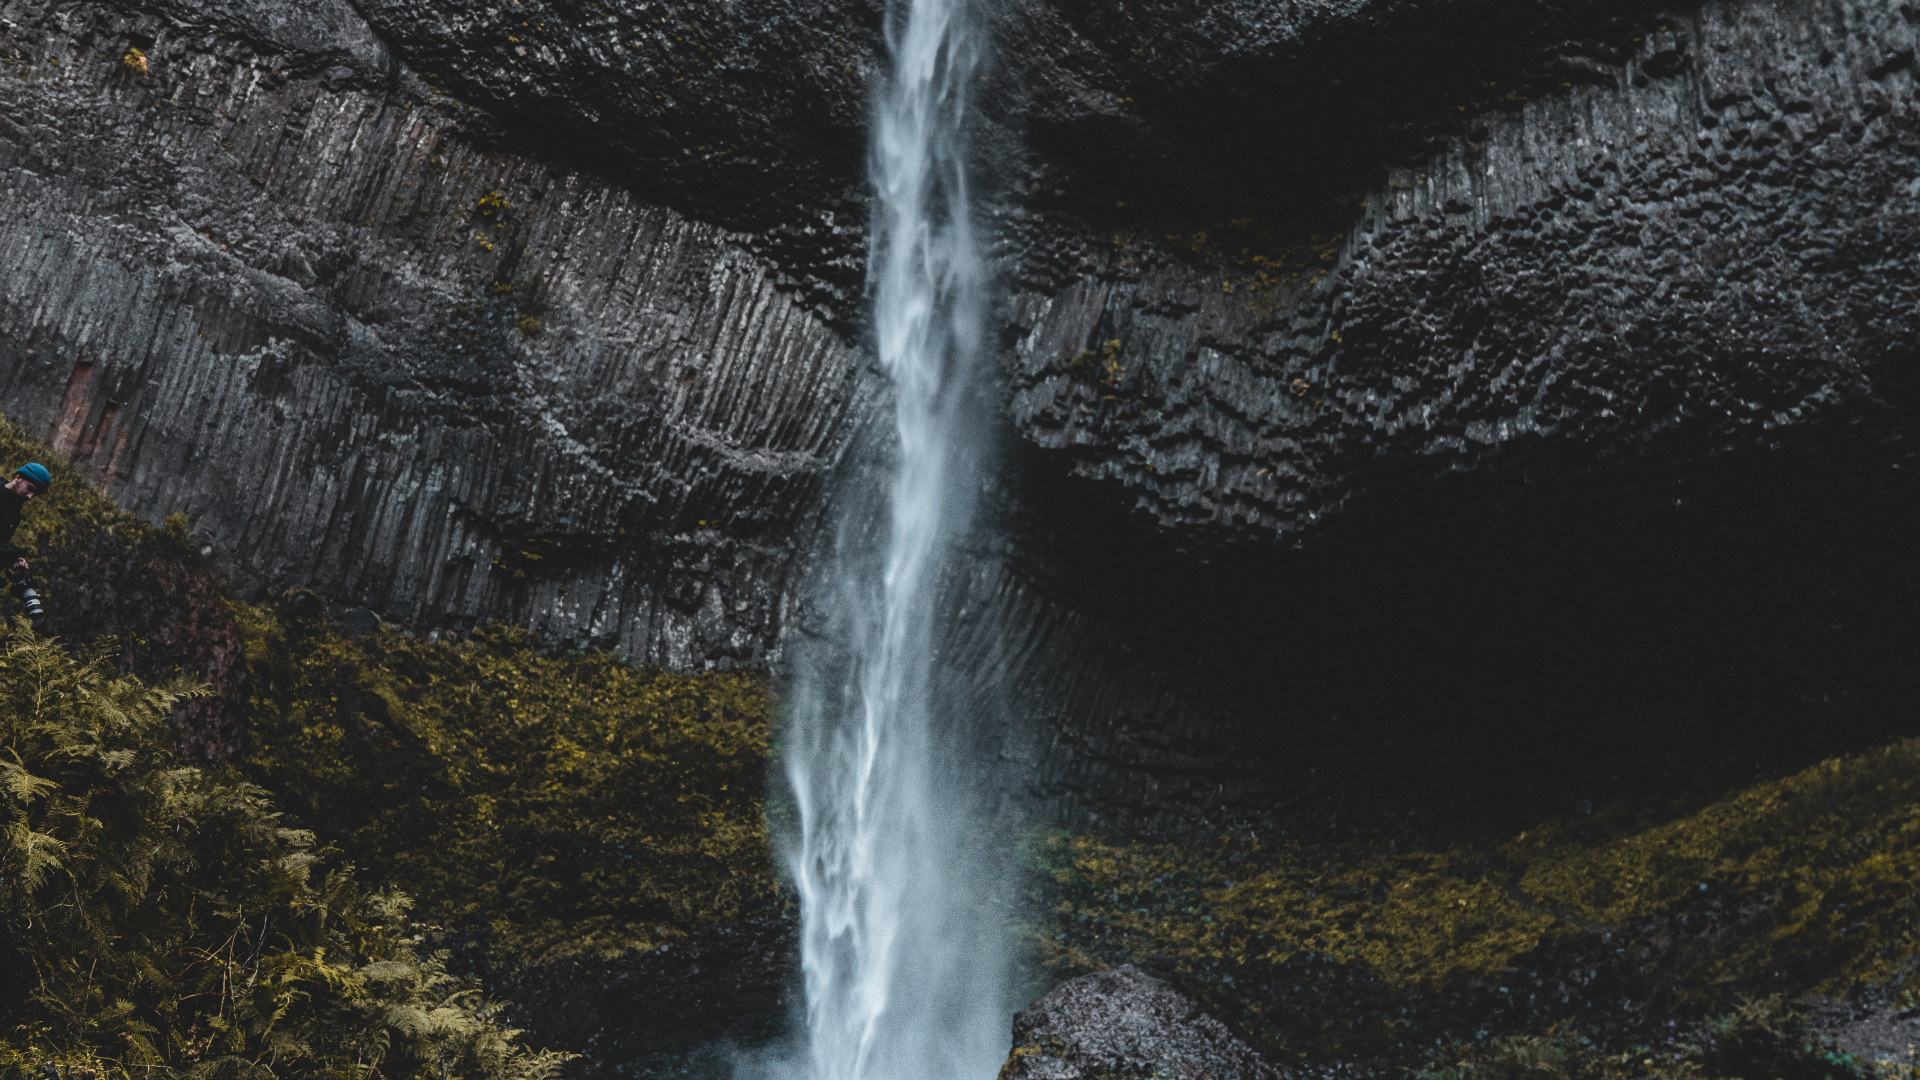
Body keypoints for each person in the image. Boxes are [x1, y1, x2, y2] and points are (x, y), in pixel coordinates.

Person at [1, 463, 51, 628]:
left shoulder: (14, 513)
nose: (30, 496)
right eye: (29, 488)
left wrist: (12, 562)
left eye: (34, 494)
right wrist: (12, 553)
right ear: (18, 477)